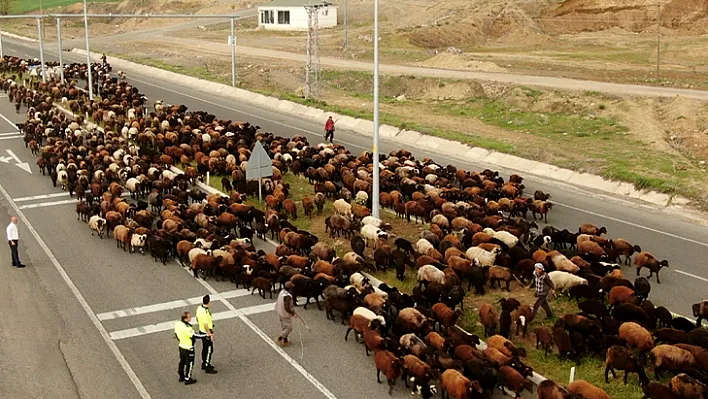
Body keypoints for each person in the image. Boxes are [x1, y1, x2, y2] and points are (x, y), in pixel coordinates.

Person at [174, 311, 207, 385]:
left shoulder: (178, 324)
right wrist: (206, 335)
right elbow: (195, 335)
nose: (190, 318)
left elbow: (176, 333)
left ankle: (181, 375)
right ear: (186, 319)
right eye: (189, 317)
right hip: (189, 348)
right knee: (190, 363)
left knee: (182, 362)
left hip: (181, 346)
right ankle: (188, 378)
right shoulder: (187, 328)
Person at [195, 295, 217, 374]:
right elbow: (205, 324)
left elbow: (197, 318)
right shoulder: (204, 312)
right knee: (209, 350)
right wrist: (210, 333)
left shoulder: (199, 308)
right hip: (206, 332)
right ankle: (207, 365)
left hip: (201, 331)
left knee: (205, 348)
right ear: (208, 302)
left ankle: (204, 363)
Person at [274, 281, 298, 346]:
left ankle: (285, 341)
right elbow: (287, 307)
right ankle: (280, 337)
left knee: (284, 326)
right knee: (289, 328)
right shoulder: (288, 297)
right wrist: (293, 313)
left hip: (279, 311)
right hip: (284, 313)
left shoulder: (282, 291)